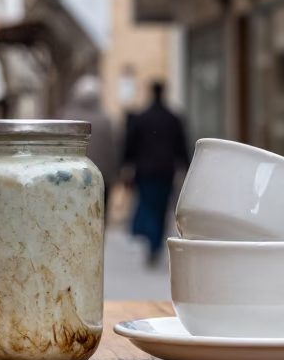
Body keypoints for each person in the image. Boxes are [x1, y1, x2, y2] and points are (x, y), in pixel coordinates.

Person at [123, 82, 192, 266]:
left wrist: (126, 166)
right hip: (166, 171)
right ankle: (155, 245)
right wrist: (186, 167)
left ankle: (152, 243)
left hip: (145, 171)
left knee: (148, 205)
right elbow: (182, 145)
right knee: (161, 209)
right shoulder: (173, 118)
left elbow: (130, 145)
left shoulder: (142, 118)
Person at [59, 75, 119, 219]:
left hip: (71, 174)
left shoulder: (66, 117)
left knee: (73, 210)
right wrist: (114, 174)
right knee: (99, 213)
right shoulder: (105, 120)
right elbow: (112, 149)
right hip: (101, 175)